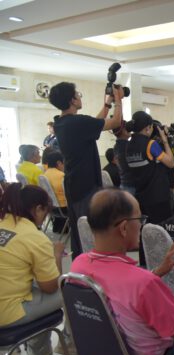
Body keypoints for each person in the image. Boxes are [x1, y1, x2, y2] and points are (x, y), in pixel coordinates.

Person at [70, 188, 174, 355]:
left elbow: (122, 292)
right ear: (123, 228)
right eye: (139, 219)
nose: (141, 225)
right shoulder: (143, 284)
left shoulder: (78, 265)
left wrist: (157, 272)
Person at [48, 81, 124, 259]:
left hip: (73, 182)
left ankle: (79, 264)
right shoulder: (77, 122)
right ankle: (92, 264)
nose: (79, 97)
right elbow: (115, 122)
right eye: (78, 94)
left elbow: (95, 124)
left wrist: (108, 103)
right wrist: (119, 100)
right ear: (72, 100)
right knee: (90, 231)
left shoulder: (61, 123)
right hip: (86, 184)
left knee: (78, 229)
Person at [0, 183, 65, 355]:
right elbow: (51, 287)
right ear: (38, 209)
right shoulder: (34, 236)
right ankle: (58, 346)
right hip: (7, 313)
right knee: (72, 289)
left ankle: (40, 353)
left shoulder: (2, 223)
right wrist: (57, 255)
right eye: (45, 212)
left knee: (35, 290)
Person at [125, 111, 174, 225]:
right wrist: (165, 141)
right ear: (148, 128)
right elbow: (171, 163)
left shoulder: (128, 145)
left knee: (147, 230)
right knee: (164, 230)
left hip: (141, 198)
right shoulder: (150, 144)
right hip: (158, 198)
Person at [43, 151, 68, 233]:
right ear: (59, 163)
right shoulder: (62, 175)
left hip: (51, 207)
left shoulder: (45, 174)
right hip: (64, 209)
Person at [112, 121, 136, 195]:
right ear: (122, 131)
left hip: (124, 184)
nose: (129, 129)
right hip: (131, 186)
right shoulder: (126, 146)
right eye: (126, 127)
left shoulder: (117, 146)